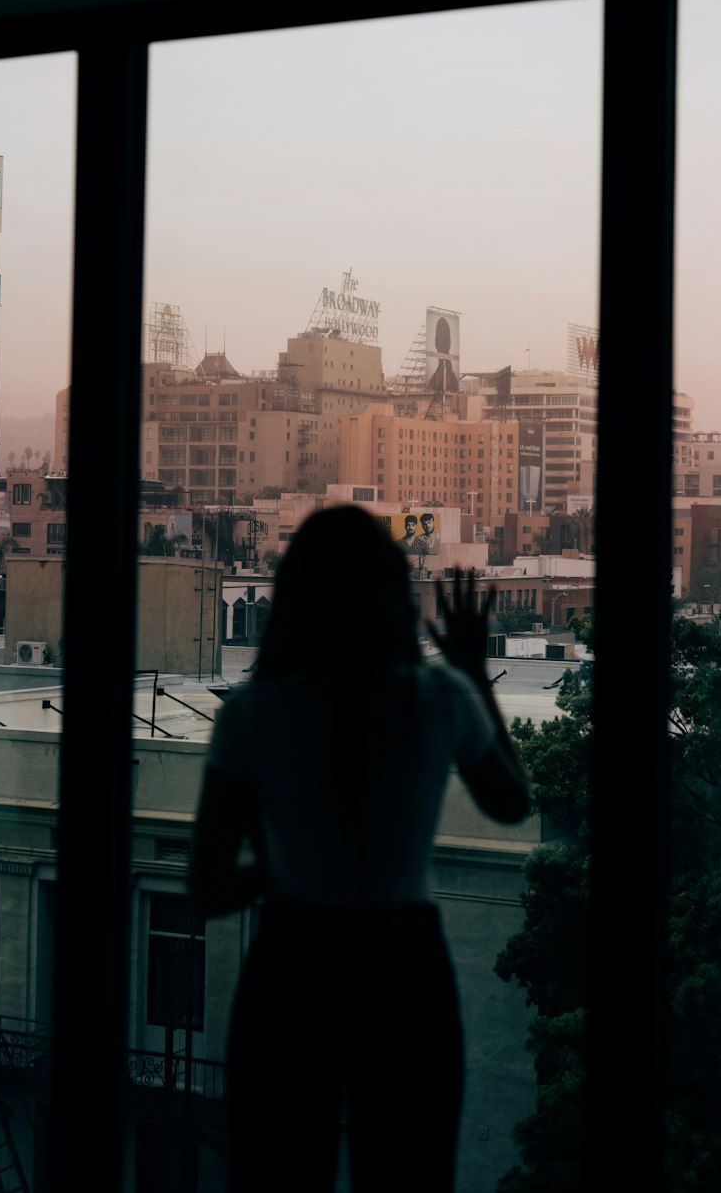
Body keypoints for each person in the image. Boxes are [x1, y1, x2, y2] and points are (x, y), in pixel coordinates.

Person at [190, 504, 529, 1193]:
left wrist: (277, 871)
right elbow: (510, 802)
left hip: (292, 965)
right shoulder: (437, 694)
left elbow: (206, 886)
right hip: (404, 967)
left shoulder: (251, 712)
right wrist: (470, 669)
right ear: (393, 592)